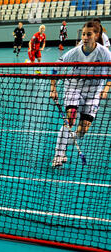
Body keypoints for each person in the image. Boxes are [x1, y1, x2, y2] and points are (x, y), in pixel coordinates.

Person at [49, 21, 111, 168]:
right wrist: (53, 88)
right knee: (70, 118)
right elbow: (55, 68)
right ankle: (59, 154)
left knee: (83, 130)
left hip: (93, 92)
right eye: (83, 34)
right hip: (73, 88)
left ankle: (65, 140)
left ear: (96, 36)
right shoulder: (74, 53)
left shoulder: (104, 53)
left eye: (88, 34)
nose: (85, 37)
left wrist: (106, 89)